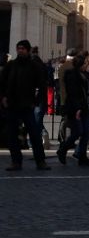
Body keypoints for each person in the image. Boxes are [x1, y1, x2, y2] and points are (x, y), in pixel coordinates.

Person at [1, 40, 50, 171]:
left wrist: (37, 102)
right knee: (12, 134)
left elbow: (42, 85)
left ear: (28, 50)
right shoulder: (11, 65)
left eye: (23, 48)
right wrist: (3, 97)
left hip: (28, 105)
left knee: (34, 134)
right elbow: (2, 83)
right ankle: (16, 161)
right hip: (12, 104)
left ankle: (40, 161)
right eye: (19, 48)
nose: (20, 51)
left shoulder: (34, 66)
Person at [57, 51, 89, 166]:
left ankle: (82, 156)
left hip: (83, 106)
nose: (86, 66)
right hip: (75, 107)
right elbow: (73, 93)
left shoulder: (83, 74)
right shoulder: (72, 74)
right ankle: (63, 149)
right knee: (78, 131)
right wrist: (77, 108)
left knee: (85, 132)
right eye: (85, 64)